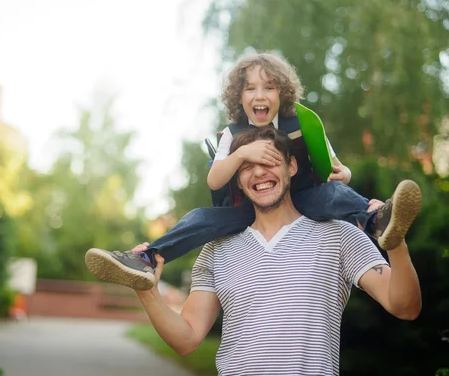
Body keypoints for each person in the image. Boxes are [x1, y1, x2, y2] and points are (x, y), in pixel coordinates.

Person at [85, 52, 422, 290]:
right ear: (239, 96)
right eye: (250, 88)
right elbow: (214, 179)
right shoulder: (232, 135)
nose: (259, 95)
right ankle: (146, 258)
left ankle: (376, 219)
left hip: (303, 197)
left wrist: (344, 174)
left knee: (335, 194)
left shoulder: (302, 123)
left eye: (268, 87)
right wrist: (241, 152)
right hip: (246, 207)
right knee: (199, 219)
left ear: (282, 93)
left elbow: (335, 168)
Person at [134, 127, 422, 376]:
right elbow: (187, 340)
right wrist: (148, 293)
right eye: (247, 165)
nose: (259, 171)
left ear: (292, 166)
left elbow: (405, 307)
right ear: (236, 178)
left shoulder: (338, 235)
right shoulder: (216, 251)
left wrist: (394, 244)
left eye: (270, 161)